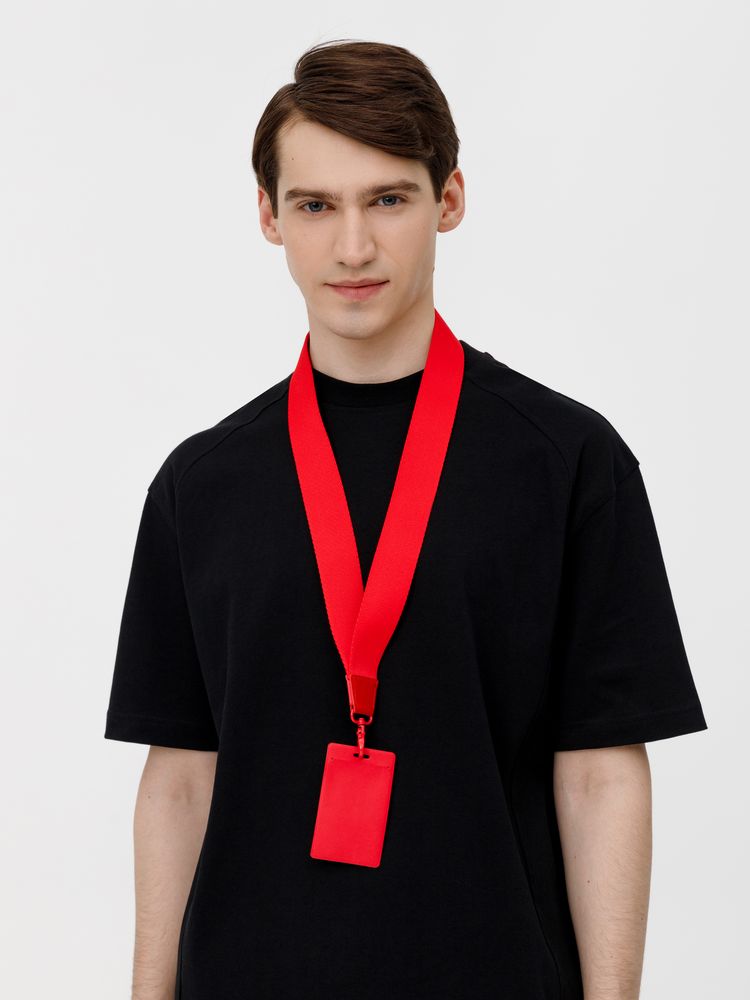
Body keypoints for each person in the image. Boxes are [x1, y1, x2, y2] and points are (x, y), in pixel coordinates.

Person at [104, 39, 708, 1000]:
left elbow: (601, 769)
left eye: (388, 199)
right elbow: (180, 775)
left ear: (449, 200)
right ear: (268, 216)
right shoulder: (200, 484)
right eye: (316, 205)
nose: (353, 248)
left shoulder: (568, 462)